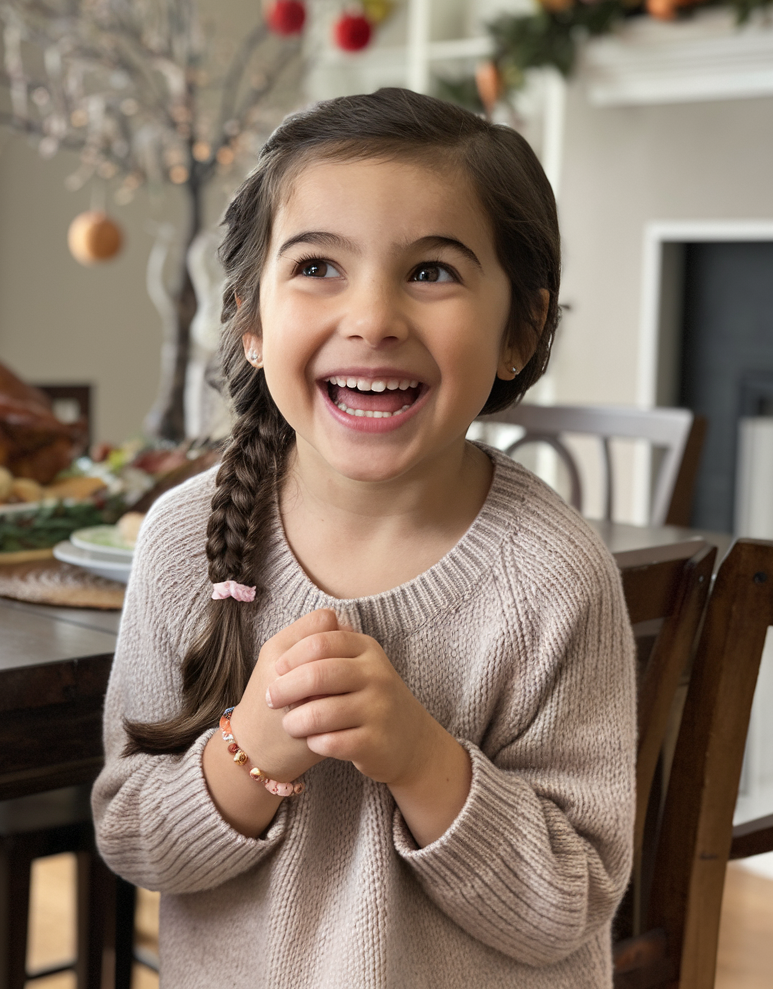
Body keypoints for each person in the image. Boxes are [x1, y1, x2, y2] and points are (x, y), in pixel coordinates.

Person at [92, 88, 636, 988]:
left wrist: (422, 761)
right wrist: (250, 749)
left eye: (431, 271)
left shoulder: (553, 578)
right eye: (317, 267)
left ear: (521, 328)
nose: (374, 317)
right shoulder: (184, 542)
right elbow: (134, 836)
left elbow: (569, 904)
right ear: (250, 322)